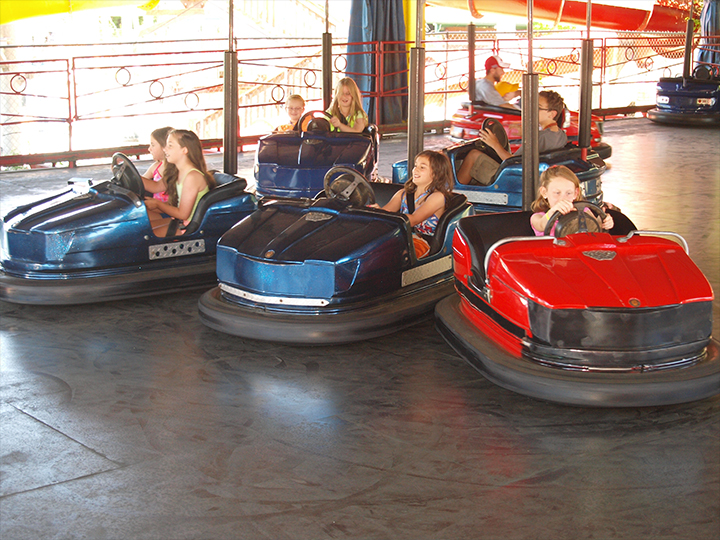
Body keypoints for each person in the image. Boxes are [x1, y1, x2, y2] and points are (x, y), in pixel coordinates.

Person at [457, 90, 568, 185]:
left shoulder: (541, 137)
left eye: (537, 107)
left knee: (473, 155)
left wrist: (494, 144)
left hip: (516, 178)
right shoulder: (560, 135)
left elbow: (514, 162)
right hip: (528, 175)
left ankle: (454, 195)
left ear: (552, 114)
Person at [374, 150, 453, 258]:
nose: (415, 169)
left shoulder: (437, 197)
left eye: (422, 167)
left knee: (388, 256)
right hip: (401, 239)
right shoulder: (402, 194)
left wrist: (384, 214)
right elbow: (385, 212)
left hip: (423, 243)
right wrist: (375, 211)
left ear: (436, 173)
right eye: (415, 166)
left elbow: (414, 219)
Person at [144, 129, 216, 237]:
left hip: (186, 227)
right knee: (141, 228)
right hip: (179, 221)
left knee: (143, 237)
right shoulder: (178, 172)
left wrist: (157, 204)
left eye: (170, 146)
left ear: (184, 150)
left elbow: (183, 214)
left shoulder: (192, 177)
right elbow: (156, 186)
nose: (165, 149)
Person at [530, 165, 614, 236]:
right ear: (544, 192)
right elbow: (541, 224)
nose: (563, 198)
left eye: (568, 193)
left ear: (575, 193)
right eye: (557, 193)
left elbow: (595, 227)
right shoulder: (538, 217)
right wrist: (553, 211)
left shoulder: (584, 211)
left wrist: (606, 222)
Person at [141, 126, 174, 202]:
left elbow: (155, 187)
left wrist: (131, 175)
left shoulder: (175, 169)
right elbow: (140, 183)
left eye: (153, 145)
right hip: (157, 207)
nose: (149, 149)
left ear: (164, 146)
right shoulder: (155, 167)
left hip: (168, 210)